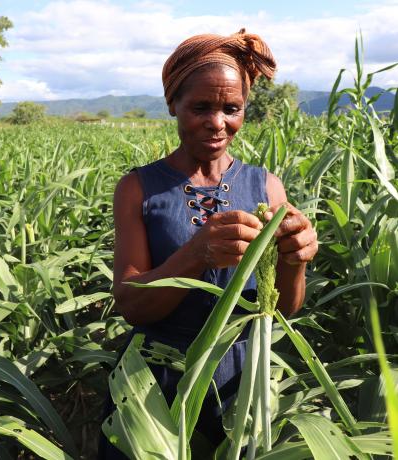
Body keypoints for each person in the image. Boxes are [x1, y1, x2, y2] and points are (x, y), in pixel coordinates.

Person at [100, 28, 318, 458]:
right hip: (157, 385)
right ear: (172, 104)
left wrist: (295, 261)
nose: (218, 123)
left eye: (231, 108)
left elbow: (283, 309)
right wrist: (196, 254)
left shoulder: (266, 186)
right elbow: (131, 304)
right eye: (200, 107)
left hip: (242, 383)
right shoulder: (139, 188)